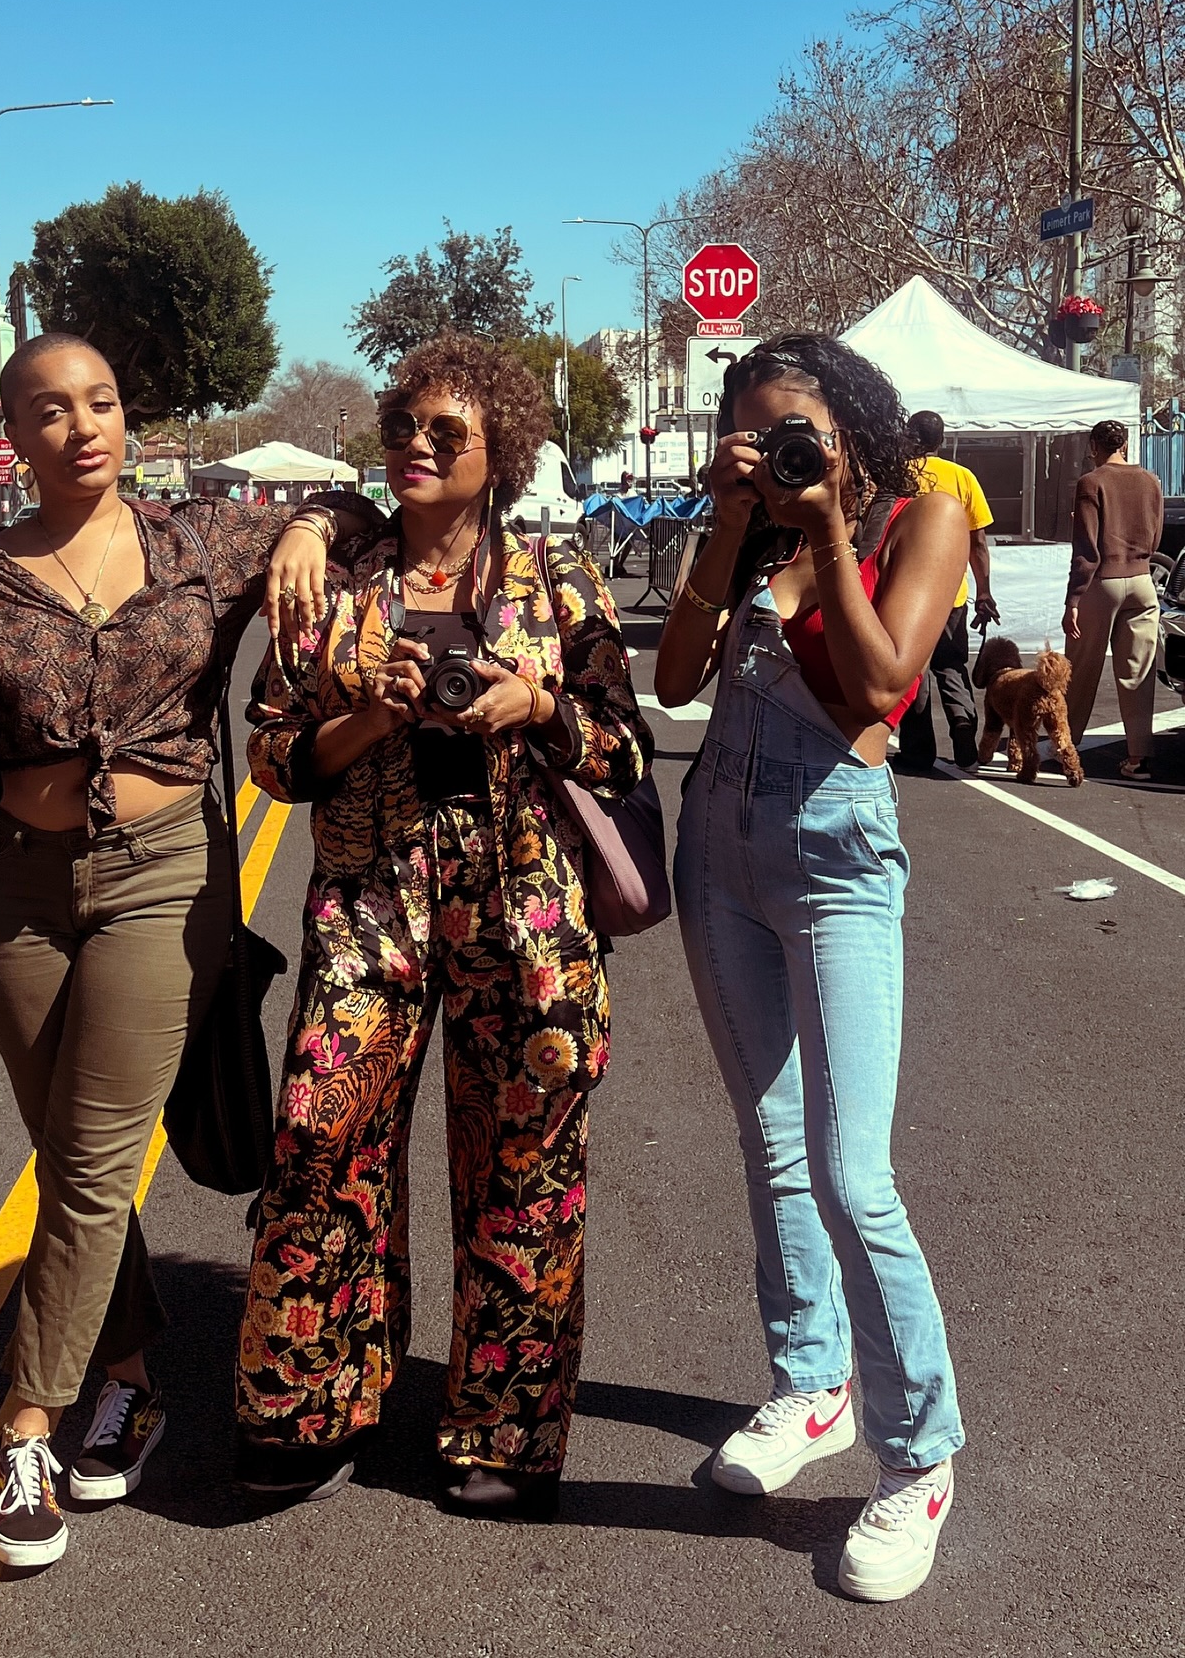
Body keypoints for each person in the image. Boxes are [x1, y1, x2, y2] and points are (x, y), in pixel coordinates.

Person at [0, 333, 378, 1571]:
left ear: (128, 417)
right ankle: (134, 1376)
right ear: (14, 433)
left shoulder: (200, 542)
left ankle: (30, 1427)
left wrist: (309, 530)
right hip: (9, 890)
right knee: (66, 1149)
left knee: (98, 1162)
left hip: (165, 881)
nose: (82, 427)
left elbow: (358, 512)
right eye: (50, 411)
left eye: (101, 401)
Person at [235, 334, 652, 1521]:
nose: (416, 446)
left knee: (526, 1166)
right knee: (322, 1138)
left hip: (522, 914)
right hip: (372, 905)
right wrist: (365, 717)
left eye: (447, 432)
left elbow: (622, 747)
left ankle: (506, 1429)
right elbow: (273, 752)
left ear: (501, 454)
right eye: (404, 425)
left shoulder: (554, 582)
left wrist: (540, 705)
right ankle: (310, 1400)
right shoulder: (336, 576)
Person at [656, 334, 967, 1603]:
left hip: (836, 856)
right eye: (756, 436)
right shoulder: (748, 535)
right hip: (717, 841)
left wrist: (830, 525)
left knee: (854, 1172)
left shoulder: (923, 514)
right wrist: (728, 530)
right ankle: (811, 1385)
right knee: (770, 1143)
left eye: (800, 432)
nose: (781, 454)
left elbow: (884, 686)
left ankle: (922, 1458)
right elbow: (675, 683)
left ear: (851, 425)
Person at [895, 410, 998, 773]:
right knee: (952, 666)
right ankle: (965, 741)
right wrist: (983, 592)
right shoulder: (962, 477)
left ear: (909, 436)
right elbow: (979, 543)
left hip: (905, 595)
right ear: (940, 441)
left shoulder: (897, 475)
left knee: (912, 672)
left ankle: (917, 752)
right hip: (952, 594)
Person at [1063, 418, 1164, 779]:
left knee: (1080, 668)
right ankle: (1139, 757)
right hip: (1141, 579)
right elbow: (1155, 539)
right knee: (1138, 671)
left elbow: (1086, 549)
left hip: (1103, 581)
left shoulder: (1091, 483)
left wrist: (1072, 600)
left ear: (1094, 446)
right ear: (1124, 445)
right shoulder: (1151, 481)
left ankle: (1067, 746)